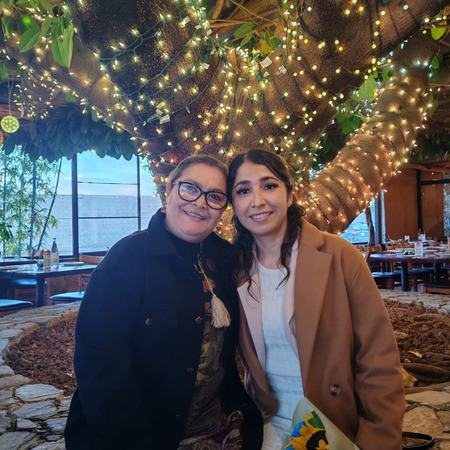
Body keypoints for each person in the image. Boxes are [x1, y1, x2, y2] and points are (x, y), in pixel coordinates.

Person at [64, 155, 263, 449]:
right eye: (190, 188)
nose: (200, 202)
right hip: (140, 437)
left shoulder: (227, 260)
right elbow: (101, 372)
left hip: (219, 429)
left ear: (224, 208)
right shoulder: (126, 261)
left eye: (215, 196)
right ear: (169, 189)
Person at [228, 149, 404, 450]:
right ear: (233, 203)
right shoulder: (235, 268)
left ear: (290, 194)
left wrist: (378, 440)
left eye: (269, 185)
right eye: (243, 190)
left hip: (332, 429)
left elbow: (378, 359)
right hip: (265, 429)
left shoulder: (340, 256)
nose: (257, 200)